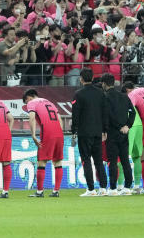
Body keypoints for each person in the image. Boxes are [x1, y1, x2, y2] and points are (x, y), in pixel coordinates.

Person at [70, 68, 109, 196]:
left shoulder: (78, 94)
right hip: (97, 132)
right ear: (92, 78)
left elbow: (75, 114)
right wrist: (104, 129)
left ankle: (91, 189)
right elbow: (104, 113)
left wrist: (74, 130)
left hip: (84, 132)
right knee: (98, 161)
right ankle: (103, 188)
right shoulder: (101, 93)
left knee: (86, 160)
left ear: (81, 79)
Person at [22, 88, 65, 198]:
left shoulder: (32, 103)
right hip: (59, 133)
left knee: (42, 162)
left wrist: (33, 135)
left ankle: (40, 192)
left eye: (26, 102)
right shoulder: (49, 102)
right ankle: (56, 191)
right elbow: (60, 119)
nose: (27, 104)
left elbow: (31, 118)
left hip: (48, 133)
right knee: (58, 162)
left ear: (29, 98)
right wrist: (60, 134)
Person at [102, 74, 134, 195]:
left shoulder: (105, 97)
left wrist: (118, 127)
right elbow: (132, 113)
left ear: (104, 83)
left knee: (113, 161)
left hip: (112, 133)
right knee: (125, 160)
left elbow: (108, 116)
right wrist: (127, 126)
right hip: (124, 133)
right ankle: (127, 188)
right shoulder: (124, 97)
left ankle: (113, 188)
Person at [121, 83, 144, 192]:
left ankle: (120, 186)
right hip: (139, 125)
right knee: (136, 157)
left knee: (122, 158)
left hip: (129, 126)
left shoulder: (123, 99)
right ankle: (137, 186)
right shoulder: (132, 99)